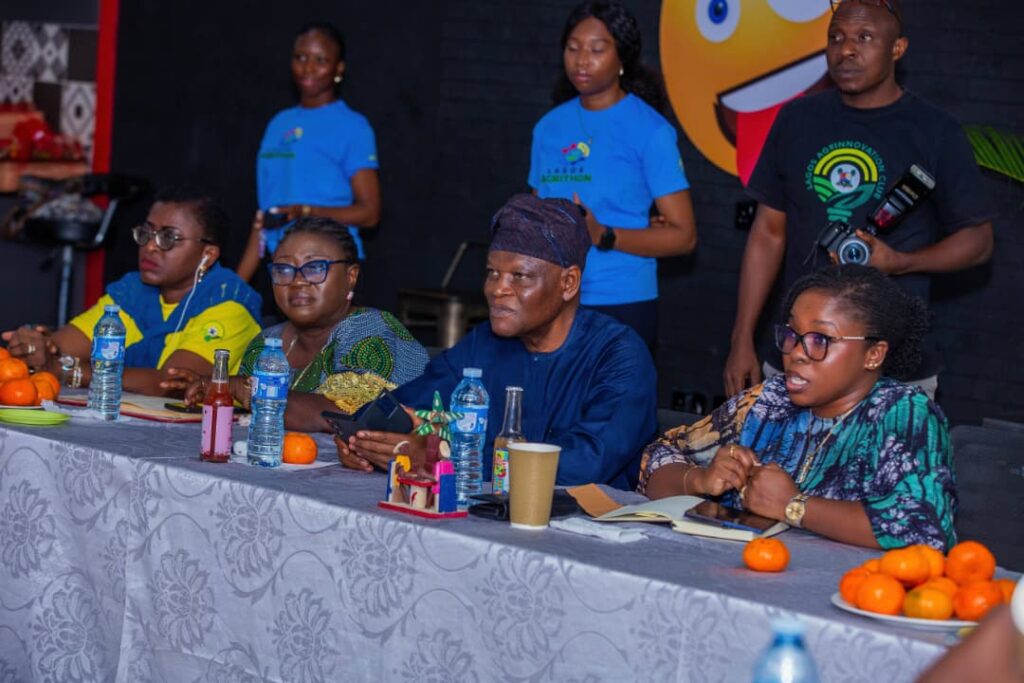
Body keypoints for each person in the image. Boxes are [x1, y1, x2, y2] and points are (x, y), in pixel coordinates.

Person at [723, 0, 994, 400]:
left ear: (897, 48)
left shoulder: (935, 130)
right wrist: (741, 338)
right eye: (836, 37)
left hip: (894, 372)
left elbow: (978, 242)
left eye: (864, 37)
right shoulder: (796, 119)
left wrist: (900, 261)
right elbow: (768, 233)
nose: (846, 49)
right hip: (797, 357)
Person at [336, 194, 657, 489]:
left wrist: (443, 454)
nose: (496, 289)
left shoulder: (619, 355)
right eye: (492, 273)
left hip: (585, 525)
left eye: (519, 276)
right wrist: (362, 440)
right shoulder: (485, 343)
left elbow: (585, 463)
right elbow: (405, 405)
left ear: (568, 283)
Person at [642, 265, 956, 550]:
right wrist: (700, 479)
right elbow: (657, 456)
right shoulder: (768, 400)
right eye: (792, 334)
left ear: (873, 354)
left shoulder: (903, 413)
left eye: (821, 339)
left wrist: (794, 506)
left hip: (853, 589)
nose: (796, 353)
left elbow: (925, 526)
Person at [528, 0, 697, 350]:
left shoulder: (650, 131)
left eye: (596, 50)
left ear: (622, 59)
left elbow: (684, 237)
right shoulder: (549, 127)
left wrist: (604, 235)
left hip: (621, 301)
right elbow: (534, 216)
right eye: (573, 48)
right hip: (552, 298)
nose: (581, 60)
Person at [1, 188, 262, 396]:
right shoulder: (132, 293)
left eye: (168, 238)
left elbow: (171, 384)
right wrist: (33, 346)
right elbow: (58, 348)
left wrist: (67, 370)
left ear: (208, 254)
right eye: (146, 233)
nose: (150, 246)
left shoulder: (229, 305)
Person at [176, 217, 428, 429]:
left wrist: (241, 388)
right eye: (283, 269)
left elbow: (347, 415)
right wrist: (212, 390)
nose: (297, 281)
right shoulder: (266, 343)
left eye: (315, 267)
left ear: (350, 276)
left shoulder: (371, 332)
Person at [237, 21, 380, 285]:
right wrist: (236, 286)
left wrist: (306, 211)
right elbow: (264, 218)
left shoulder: (352, 126)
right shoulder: (278, 123)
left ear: (339, 68)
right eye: (300, 57)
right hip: (279, 267)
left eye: (320, 60)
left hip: (327, 269)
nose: (308, 68)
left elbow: (370, 213)